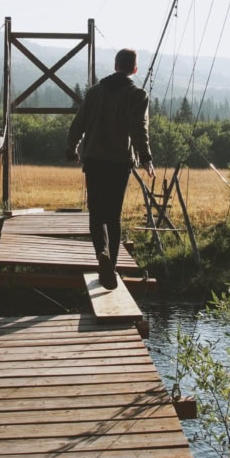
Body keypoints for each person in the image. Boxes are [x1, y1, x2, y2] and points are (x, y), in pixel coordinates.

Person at [66, 48, 155, 290]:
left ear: (116, 65)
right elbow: (139, 129)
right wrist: (146, 158)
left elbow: (79, 123)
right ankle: (111, 267)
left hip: (94, 158)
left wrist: (72, 148)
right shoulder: (138, 95)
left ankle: (101, 254)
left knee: (96, 213)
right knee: (113, 215)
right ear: (134, 69)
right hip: (120, 162)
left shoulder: (94, 92)